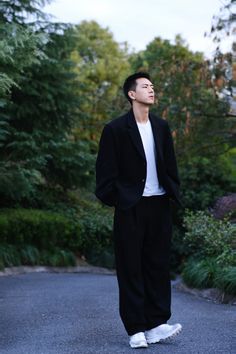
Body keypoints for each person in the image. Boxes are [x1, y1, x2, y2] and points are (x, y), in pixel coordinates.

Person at [95, 72, 182, 348]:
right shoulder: (116, 129)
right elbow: (105, 176)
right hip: (130, 208)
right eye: (145, 86)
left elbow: (170, 166)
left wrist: (172, 192)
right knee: (131, 268)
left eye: (152, 86)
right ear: (132, 94)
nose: (151, 90)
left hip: (159, 206)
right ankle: (136, 330)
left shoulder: (161, 126)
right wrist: (121, 200)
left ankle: (157, 324)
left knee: (157, 266)